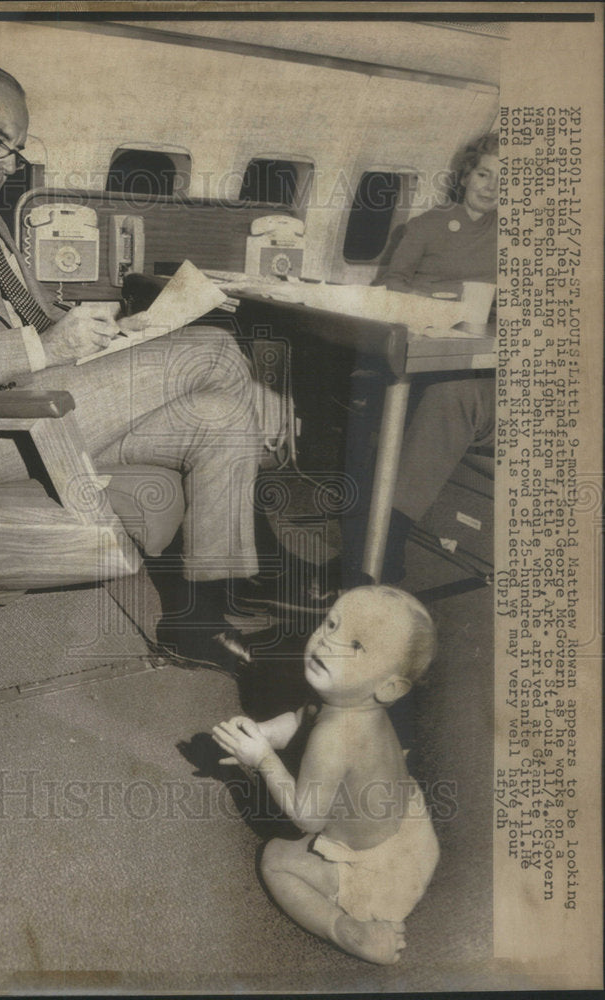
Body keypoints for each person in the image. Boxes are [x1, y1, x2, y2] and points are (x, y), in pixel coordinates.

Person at [0, 58, 265, 670]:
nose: (11, 164)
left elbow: (32, 316)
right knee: (218, 351)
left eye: (17, 148)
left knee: (220, 415)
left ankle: (204, 614)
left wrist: (107, 331)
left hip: (38, 402)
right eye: (0, 142)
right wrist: (45, 348)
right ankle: (262, 547)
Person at [212, 586, 439, 964]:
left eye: (355, 645)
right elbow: (304, 718)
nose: (328, 641)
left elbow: (307, 818)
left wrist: (264, 758)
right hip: (412, 839)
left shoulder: (335, 738)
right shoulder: (352, 700)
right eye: (331, 622)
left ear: (389, 687)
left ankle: (350, 931)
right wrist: (264, 732)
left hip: (375, 874)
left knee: (276, 860)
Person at [378, 132, 498, 582]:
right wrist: (439, 300)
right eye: (484, 174)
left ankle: (385, 537)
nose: (490, 187)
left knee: (452, 394)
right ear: (467, 175)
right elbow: (392, 283)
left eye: (503, 181)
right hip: (424, 341)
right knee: (425, 390)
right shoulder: (428, 224)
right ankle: (381, 536)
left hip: (475, 360)